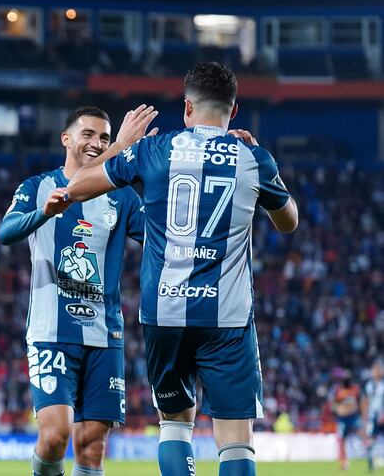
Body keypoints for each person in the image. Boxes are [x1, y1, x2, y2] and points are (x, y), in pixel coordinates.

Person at [67, 62, 299, 476]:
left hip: (165, 312)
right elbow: (288, 222)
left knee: (175, 424)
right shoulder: (253, 157)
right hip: (227, 318)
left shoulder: (155, 150)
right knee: (236, 441)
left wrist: (122, 144)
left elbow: (77, 185)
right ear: (234, 110)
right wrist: (264, 168)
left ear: (187, 108)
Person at [0, 107, 144, 476]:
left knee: (92, 446)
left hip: (105, 333)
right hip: (52, 332)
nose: (96, 144)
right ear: (66, 138)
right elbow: (6, 232)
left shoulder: (122, 198)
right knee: (55, 436)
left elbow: (158, 234)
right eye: (89, 135)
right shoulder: (37, 187)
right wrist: (44, 214)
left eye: (105, 139)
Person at [365, 360, 384, 471]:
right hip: (373, 415)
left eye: (379, 370)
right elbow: (367, 401)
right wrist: (366, 415)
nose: (377, 372)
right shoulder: (369, 385)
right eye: (375, 370)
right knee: (371, 438)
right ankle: (371, 463)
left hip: (383, 414)